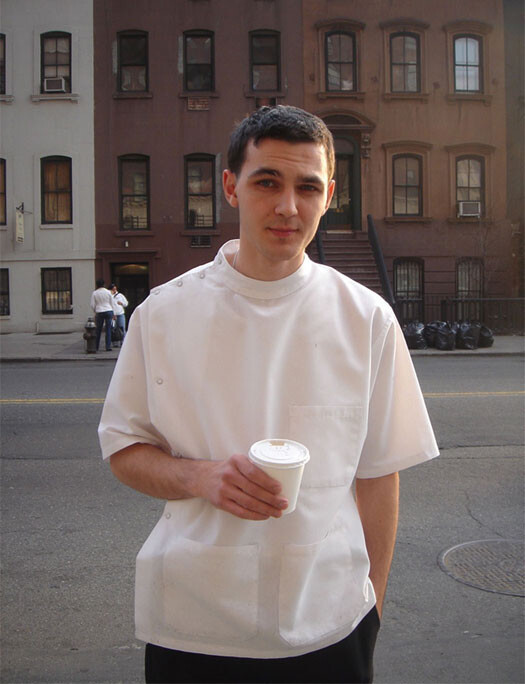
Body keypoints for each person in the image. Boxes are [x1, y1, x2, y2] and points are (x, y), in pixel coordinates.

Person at [98, 106, 439, 684]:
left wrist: (372, 608)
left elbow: (379, 474)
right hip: (195, 625)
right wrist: (200, 477)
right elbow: (124, 449)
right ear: (231, 187)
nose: (288, 206)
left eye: (308, 187)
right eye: (267, 183)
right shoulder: (163, 315)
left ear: (329, 196)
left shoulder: (366, 319)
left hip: (331, 625)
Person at [90, 278, 115, 352]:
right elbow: (112, 302)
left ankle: (96, 346)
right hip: (108, 309)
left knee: (98, 329)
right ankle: (108, 346)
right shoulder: (108, 292)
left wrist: (95, 310)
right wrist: (113, 312)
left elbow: (92, 304)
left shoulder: (95, 293)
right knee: (108, 329)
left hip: (99, 310)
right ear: (104, 284)